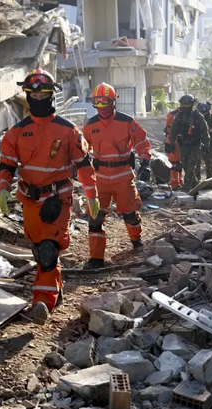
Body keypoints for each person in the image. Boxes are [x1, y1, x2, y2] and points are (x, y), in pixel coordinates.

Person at [0, 69, 100, 324]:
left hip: (58, 198)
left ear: (53, 95)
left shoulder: (68, 131)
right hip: (29, 199)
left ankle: (43, 302)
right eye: (34, 93)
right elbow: (6, 166)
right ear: (27, 96)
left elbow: (84, 165)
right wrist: (2, 189)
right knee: (38, 248)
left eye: (44, 93)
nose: (39, 98)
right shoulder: (17, 133)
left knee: (48, 250)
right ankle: (56, 287)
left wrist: (92, 195)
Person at [83, 83, 152, 269]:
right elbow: (81, 149)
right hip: (100, 178)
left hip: (123, 176)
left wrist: (145, 162)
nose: (103, 110)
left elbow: (142, 143)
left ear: (114, 103)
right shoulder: (90, 126)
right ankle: (96, 258)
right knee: (95, 217)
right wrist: (78, 165)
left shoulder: (127, 122)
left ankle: (136, 240)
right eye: (99, 106)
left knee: (129, 214)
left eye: (106, 106)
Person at [171, 94, 210, 191]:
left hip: (195, 146)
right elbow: (173, 131)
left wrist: (206, 144)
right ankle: (196, 185)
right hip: (183, 145)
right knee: (185, 166)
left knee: (191, 167)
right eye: (185, 104)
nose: (187, 106)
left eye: (189, 104)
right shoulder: (178, 117)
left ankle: (186, 187)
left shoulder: (198, 116)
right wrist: (171, 143)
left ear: (192, 104)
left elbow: (205, 131)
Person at [163, 106, 183, 190]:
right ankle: (174, 184)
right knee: (174, 163)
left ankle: (180, 182)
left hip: (182, 142)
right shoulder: (172, 115)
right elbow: (169, 129)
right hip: (173, 142)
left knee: (180, 163)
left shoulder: (187, 114)